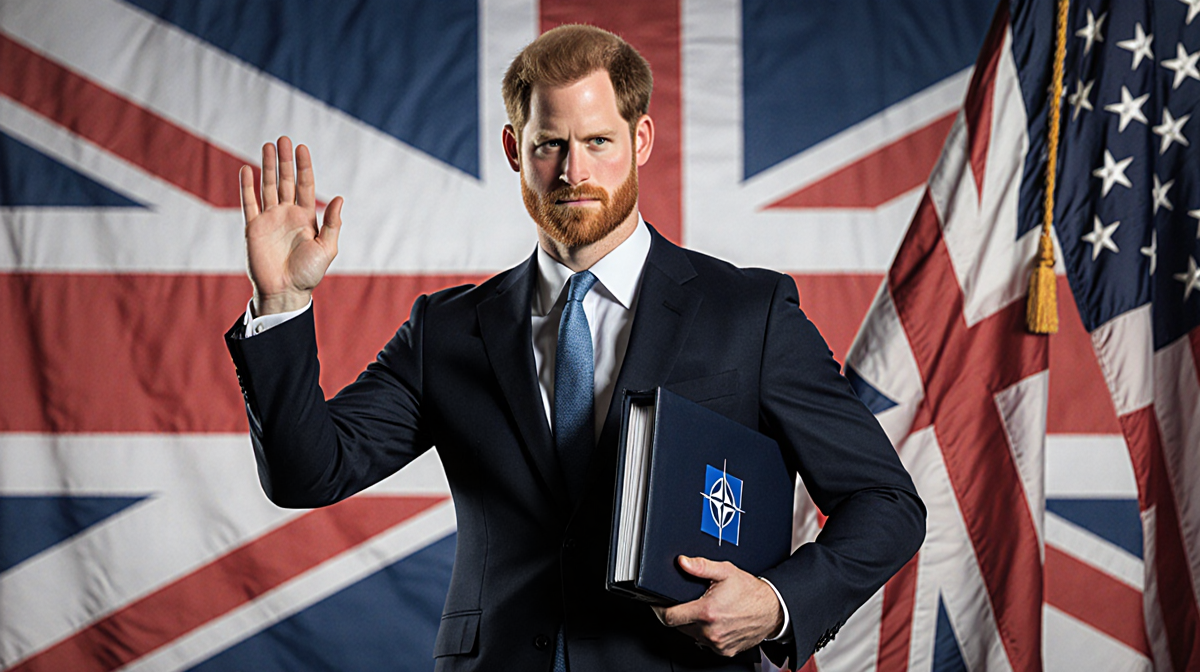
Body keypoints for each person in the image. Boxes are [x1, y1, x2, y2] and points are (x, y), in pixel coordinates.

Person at [225, 24, 924, 672]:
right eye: (549, 145)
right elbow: (307, 475)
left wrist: (777, 604)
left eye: (597, 142)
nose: (572, 172)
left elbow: (885, 503)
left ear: (640, 139)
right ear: (514, 151)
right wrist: (284, 304)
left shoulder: (750, 314)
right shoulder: (445, 330)